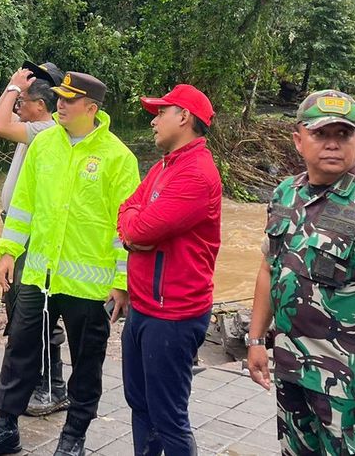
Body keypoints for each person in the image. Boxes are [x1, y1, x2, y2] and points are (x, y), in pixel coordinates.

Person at [0, 72, 140, 456]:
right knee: (20, 351)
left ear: (91, 108)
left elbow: (125, 228)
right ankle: (5, 427)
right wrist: (8, 251)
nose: (59, 104)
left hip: (89, 285)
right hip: (38, 276)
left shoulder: (118, 158)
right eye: (59, 98)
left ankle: (73, 438)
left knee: (87, 363)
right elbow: (24, 205)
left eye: (68, 100)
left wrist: (121, 282)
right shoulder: (44, 144)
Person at [245, 90, 355, 455]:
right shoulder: (285, 195)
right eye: (321, 134)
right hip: (292, 372)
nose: (332, 145)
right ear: (298, 140)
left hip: (349, 388)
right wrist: (257, 339)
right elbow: (268, 268)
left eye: (343, 135)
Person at [118, 84, 222, 456]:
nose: (154, 120)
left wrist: (135, 230)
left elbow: (140, 228)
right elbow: (128, 211)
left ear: (185, 117)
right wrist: (134, 231)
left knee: (168, 416)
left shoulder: (195, 174)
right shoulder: (167, 165)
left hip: (173, 314)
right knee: (140, 404)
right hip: (145, 307)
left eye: (161, 112)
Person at [0, 61, 70, 417]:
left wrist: (11, 85)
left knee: (35, 311)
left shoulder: (43, 130)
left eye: (22, 100)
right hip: (19, 232)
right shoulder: (36, 128)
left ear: (40, 105)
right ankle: (32, 381)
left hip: (33, 238)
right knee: (21, 309)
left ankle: (53, 387)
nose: (18, 105)